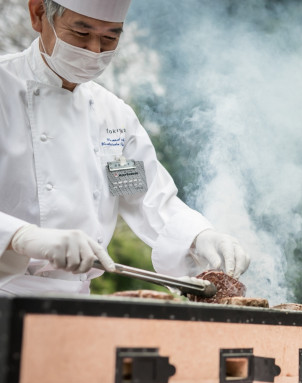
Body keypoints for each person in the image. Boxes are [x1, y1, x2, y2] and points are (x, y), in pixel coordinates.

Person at [0, 0, 250, 295]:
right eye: (81, 34)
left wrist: (200, 236)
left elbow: (144, 196)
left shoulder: (112, 117)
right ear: (39, 14)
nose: (94, 51)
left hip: (77, 302)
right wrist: (19, 236)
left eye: (109, 38)